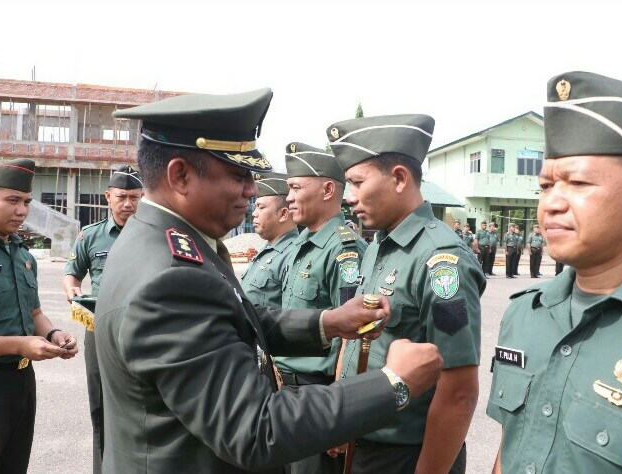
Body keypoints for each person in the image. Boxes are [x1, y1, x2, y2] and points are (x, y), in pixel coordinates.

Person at [95, 89, 444, 473]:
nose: (253, 190)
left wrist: (327, 322)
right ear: (180, 175)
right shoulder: (169, 275)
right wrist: (392, 383)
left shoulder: (157, 239)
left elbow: (232, 319)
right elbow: (256, 430)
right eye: (240, 175)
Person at [488, 71, 622, 473]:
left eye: (578, 182)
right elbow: (511, 446)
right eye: (546, 186)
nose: (551, 204)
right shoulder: (524, 313)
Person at [329, 114, 486, 473]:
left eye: (356, 183)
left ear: (399, 178)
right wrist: (342, 418)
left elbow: (459, 390)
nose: (349, 198)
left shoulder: (440, 259)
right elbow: (354, 342)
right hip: (362, 443)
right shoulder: (378, 245)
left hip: (406, 455)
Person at [0, 159, 78, 474]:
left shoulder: (22, 255)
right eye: (12, 200)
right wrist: (19, 345)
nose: (22, 210)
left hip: (21, 382)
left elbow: (34, 311)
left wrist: (53, 335)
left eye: (26, 202)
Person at [279, 142, 366, 474]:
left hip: (316, 397)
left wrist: (342, 415)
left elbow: (352, 335)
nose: (288, 197)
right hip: (286, 392)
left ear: (328, 189)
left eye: (295, 187)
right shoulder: (301, 244)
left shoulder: (344, 248)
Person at [62, 164, 143, 474]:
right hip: (101, 329)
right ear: (108, 196)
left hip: (145, 328)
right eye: (121, 196)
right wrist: (73, 291)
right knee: (100, 403)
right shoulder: (91, 236)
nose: (127, 204)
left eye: (134, 197)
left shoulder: (155, 234)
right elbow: (71, 273)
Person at [240, 172, 298, 308]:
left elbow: (290, 316)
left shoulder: (292, 254)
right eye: (255, 207)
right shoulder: (269, 250)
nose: (254, 214)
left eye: (261, 207)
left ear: (283, 214)